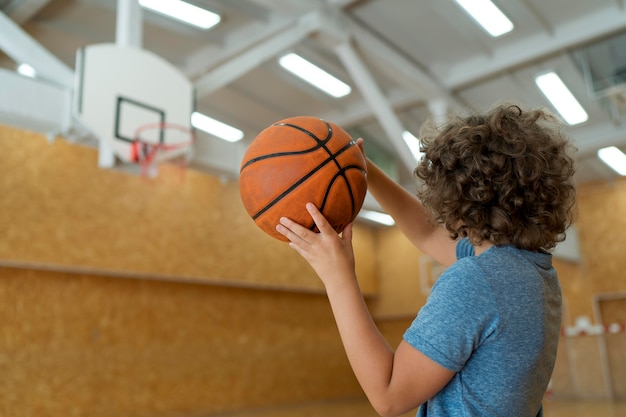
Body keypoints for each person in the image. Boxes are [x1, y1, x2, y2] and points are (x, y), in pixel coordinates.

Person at [275, 102, 577, 417]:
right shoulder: (531, 271)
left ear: (456, 198)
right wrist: (364, 168)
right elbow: (427, 234)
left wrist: (338, 279)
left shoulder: (476, 281)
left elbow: (389, 395)